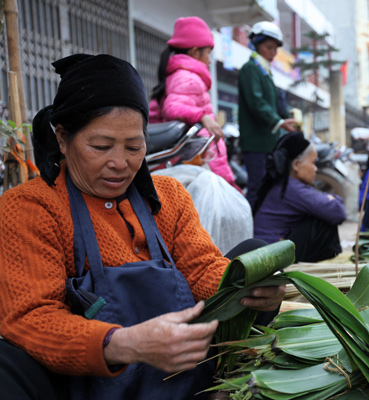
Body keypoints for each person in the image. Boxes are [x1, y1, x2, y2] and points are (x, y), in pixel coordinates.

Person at [0, 54, 285, 400]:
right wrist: (122, 343)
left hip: (182, 370)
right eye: (101, 147)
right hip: (84, 382)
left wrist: (247, 289)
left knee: (252, 258)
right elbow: (33, 317)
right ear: (62, 139)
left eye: (134, 147)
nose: (120, 163)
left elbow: (202, 267)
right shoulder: (32, 207)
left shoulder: (168, 196)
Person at [149, 16, 240, 191]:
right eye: (208, 53)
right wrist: (203, 116)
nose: (210, 60)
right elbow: (173, 107)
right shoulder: (187, 76)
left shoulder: (179, 74)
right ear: (194, 52)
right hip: (202, 156)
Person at [253, 133, 346, 262]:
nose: (315, 169)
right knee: (322, 222)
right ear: (296, 165)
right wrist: (331, 198)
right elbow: (338, 212)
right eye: (313, 163)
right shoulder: (293, 189)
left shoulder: (286, 185)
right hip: (270, 257)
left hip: (267, 250)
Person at [238, 21, 298, 208]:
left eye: (275, 48)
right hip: (256, 141)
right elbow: (256, 103)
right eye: (268, 47)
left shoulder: (264, 69)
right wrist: (279, 122)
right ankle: (248, 231)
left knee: (267, 187)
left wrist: (285, 114)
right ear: (256, 45)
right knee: (257, 187)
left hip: (267, 141)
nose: (272, 52)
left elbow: (271, 102)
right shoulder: (251, 69)